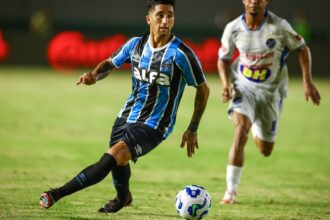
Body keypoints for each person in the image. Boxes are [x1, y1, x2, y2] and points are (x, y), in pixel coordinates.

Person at [39, 0, 209, 213]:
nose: (165, 21)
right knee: (118, 161)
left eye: (170, 16)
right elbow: (110, 63)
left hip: (156, 124)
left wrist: (192, 128)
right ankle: (123, 197)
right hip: (127, 115)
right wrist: (94, 76)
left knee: (112, 156)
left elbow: (203, 88)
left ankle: (56, 194)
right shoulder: (135, 45)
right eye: (160, 15)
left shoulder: (181, 54)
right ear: (149, 19)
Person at [217, 0, 321, 204]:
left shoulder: (279, 27)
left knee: (266, 150)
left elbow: (302, 48)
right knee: (239, 132)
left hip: (271, 92)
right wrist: (226, 84)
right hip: (243, 88)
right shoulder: (233, 28)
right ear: (244, 1)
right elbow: (223, 59)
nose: (254, 1)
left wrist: (307, 82)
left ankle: (256, 124)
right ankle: (231, 192)